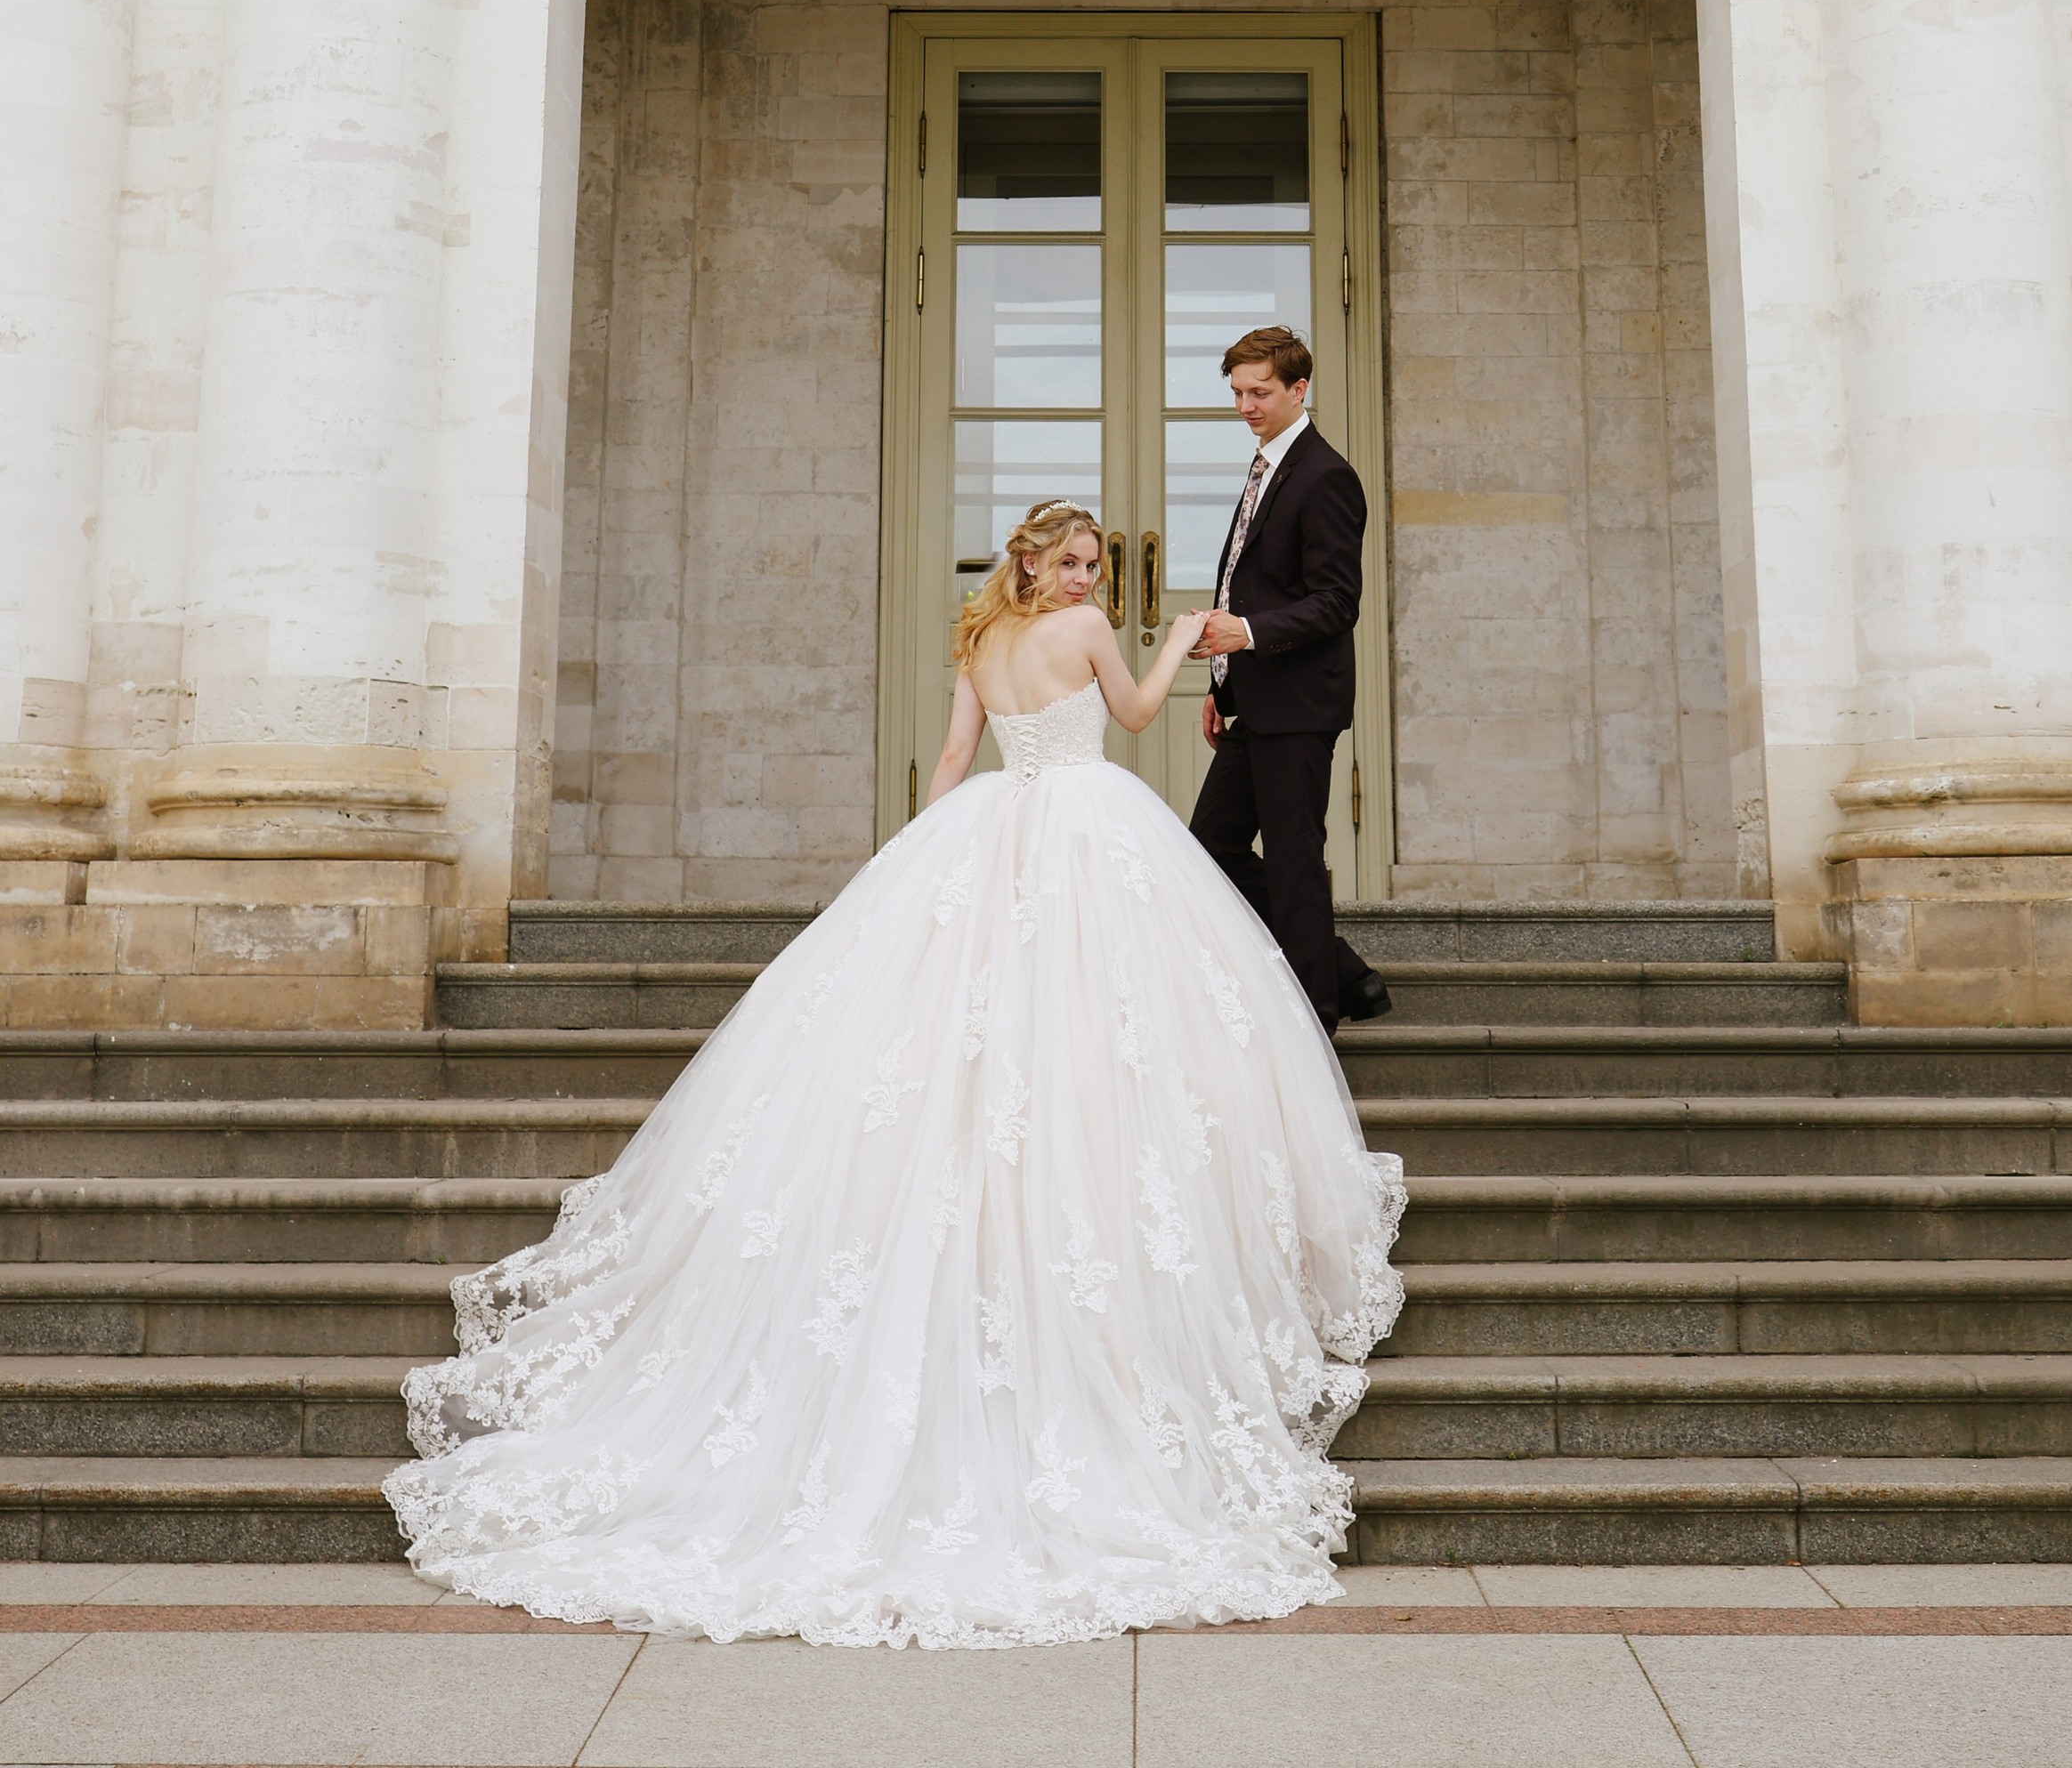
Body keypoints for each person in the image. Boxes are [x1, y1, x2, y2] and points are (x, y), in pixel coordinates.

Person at [384, 500, 1404, 1649]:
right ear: (1033, 563)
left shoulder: (980, 639)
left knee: (1029, 1033)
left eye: (1092, 566)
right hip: (1082, 830)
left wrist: (922, 864)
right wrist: (1175, 643)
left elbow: (957, 760)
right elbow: (1130, 716)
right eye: (1071, 562)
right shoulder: (1084, 636)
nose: (1085, 580)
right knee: (1088, 1025)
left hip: (991, 829)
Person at [1187, 326, 1392, 1036]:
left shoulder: (1325, 475)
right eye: (1238, 393)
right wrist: (1223, 686)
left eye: (1260, 392)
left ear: (1299, 389)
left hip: (1301, 705)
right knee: (1209, 848)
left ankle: (1317, 1024)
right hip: (1254, 701)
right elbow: (1247, 579)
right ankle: (1345, 973)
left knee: (1294, 860)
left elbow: (1336, 602)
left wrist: (1242, 635)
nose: (1246, 406)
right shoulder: (1266, 467)